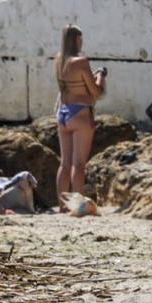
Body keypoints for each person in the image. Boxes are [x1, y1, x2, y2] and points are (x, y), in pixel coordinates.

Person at [54, 24, 106, 208]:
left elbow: (66, 87)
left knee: (65, 163)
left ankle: (61, 205)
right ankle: (78, 205)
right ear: (76, 39)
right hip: (80, 113)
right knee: (79, 164)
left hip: (63, 113)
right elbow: (96, 92)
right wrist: (100, 75)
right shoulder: (81, 62)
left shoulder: (59, 60)